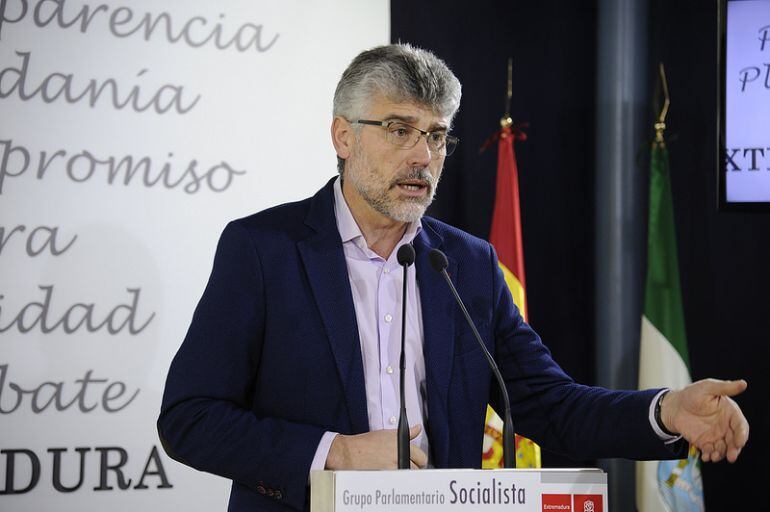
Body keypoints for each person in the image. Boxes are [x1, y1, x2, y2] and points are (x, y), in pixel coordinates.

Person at [158, 44, 749, 512]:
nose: (422, 156)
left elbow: (549, 405)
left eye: (436, 135)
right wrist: (333, 453)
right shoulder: (263, 250)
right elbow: (190, 418)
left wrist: (667, 411)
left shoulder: (466, 265)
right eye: (398, 129)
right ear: (343, 136)